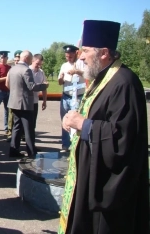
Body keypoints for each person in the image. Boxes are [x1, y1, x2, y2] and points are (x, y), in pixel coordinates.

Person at [59, 20, 149, 234]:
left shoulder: (124, 83)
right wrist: (74, 119)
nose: (80, 56)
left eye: (86, 51)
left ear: (104, 53)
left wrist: (83, 124)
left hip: (107, 187)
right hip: (89, 176)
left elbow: (122, 138)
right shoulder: (102, 79)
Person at [6, 51, 48, 157]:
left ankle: (14, 150)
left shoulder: (13, 69)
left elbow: (8, 84)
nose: (31, 61)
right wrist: (44, 86)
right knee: (28, 128)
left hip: (14, 102)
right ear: (26, 58)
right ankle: (31, 152)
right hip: (24, 103)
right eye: (30, 59)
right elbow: (32, 87)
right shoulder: (26, 70)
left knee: (17, 127)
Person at [58, 45, 85, 150]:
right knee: (65, 120)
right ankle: (65, 144)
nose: (68, 58)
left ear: (75, 53)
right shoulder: (64, 65)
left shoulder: (81, 63)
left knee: (75, 120)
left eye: (70, 56)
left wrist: (77, 71)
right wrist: (61, 78)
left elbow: (88, 75)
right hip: (66, 96)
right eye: (66, 56)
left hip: (77, 96)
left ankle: (75, 144)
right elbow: (60, 82)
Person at [29, 54, 48, 144]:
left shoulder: (41, 72)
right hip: (27, 101)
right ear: (33, 61)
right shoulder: (28, 71)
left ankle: (31, 143)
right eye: (37, 64)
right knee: (25, 123)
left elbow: (44, 87)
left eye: (40, 64)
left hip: (35, 101)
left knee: (33, 123)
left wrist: (44, 101)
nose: (38, 66)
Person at [7, 49, 22, 140]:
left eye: (18, 60)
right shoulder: (11, 70)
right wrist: (13, 91)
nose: (16, 62)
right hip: (13, 95)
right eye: (15, 60)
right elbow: (7, 83)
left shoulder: (25, 69)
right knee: (11, 115)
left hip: (22, 97)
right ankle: (10, 133)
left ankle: (21, 134)